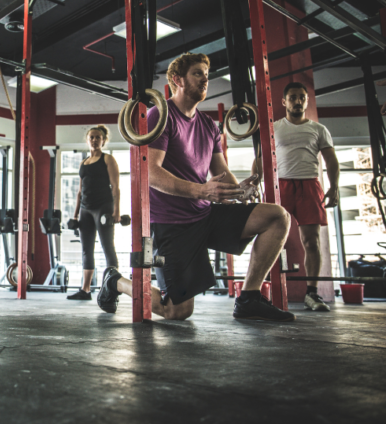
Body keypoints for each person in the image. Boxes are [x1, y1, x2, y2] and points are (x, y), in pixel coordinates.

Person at [97, 52, 294, 321]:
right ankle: (115, 281)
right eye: (197, 73)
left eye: (207, 75)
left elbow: (221, 174)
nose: (205, 80)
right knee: (177, 311)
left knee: (277, 216)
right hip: (171, 223)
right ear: (177, 80)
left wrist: (240, 191)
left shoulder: (208, 125)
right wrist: (202, 191)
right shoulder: (159, 116)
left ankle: (249, 298)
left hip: (204, 215)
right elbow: (150, 173)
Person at [251, 82, 339, 312]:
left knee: (311, 242)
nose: (298, 101)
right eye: (293, 97)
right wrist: (253, 183)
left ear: (306, 101)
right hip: (280, 186)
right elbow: (260, 159)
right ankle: (259, 290)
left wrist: (334, 187)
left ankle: (312, 293)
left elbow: (331, 160)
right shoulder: (274, 127)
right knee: (269, 239)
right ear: (284, 101)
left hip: (309, 185)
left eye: (302, 97)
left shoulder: (319, 129)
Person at [66, 125, 121, 301]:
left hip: (103, 207)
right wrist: (75, 215)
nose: (95, 140)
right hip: (85, 209)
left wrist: (117, 211)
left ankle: (112, 290)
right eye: (92, 137)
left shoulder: (108, 159)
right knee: (86, 250)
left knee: (107, 246)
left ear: (103, 141)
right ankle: (85, 290)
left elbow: (116, 187)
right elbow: (79, 191)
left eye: (98, 137)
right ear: (87, 140)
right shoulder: (83, 163)